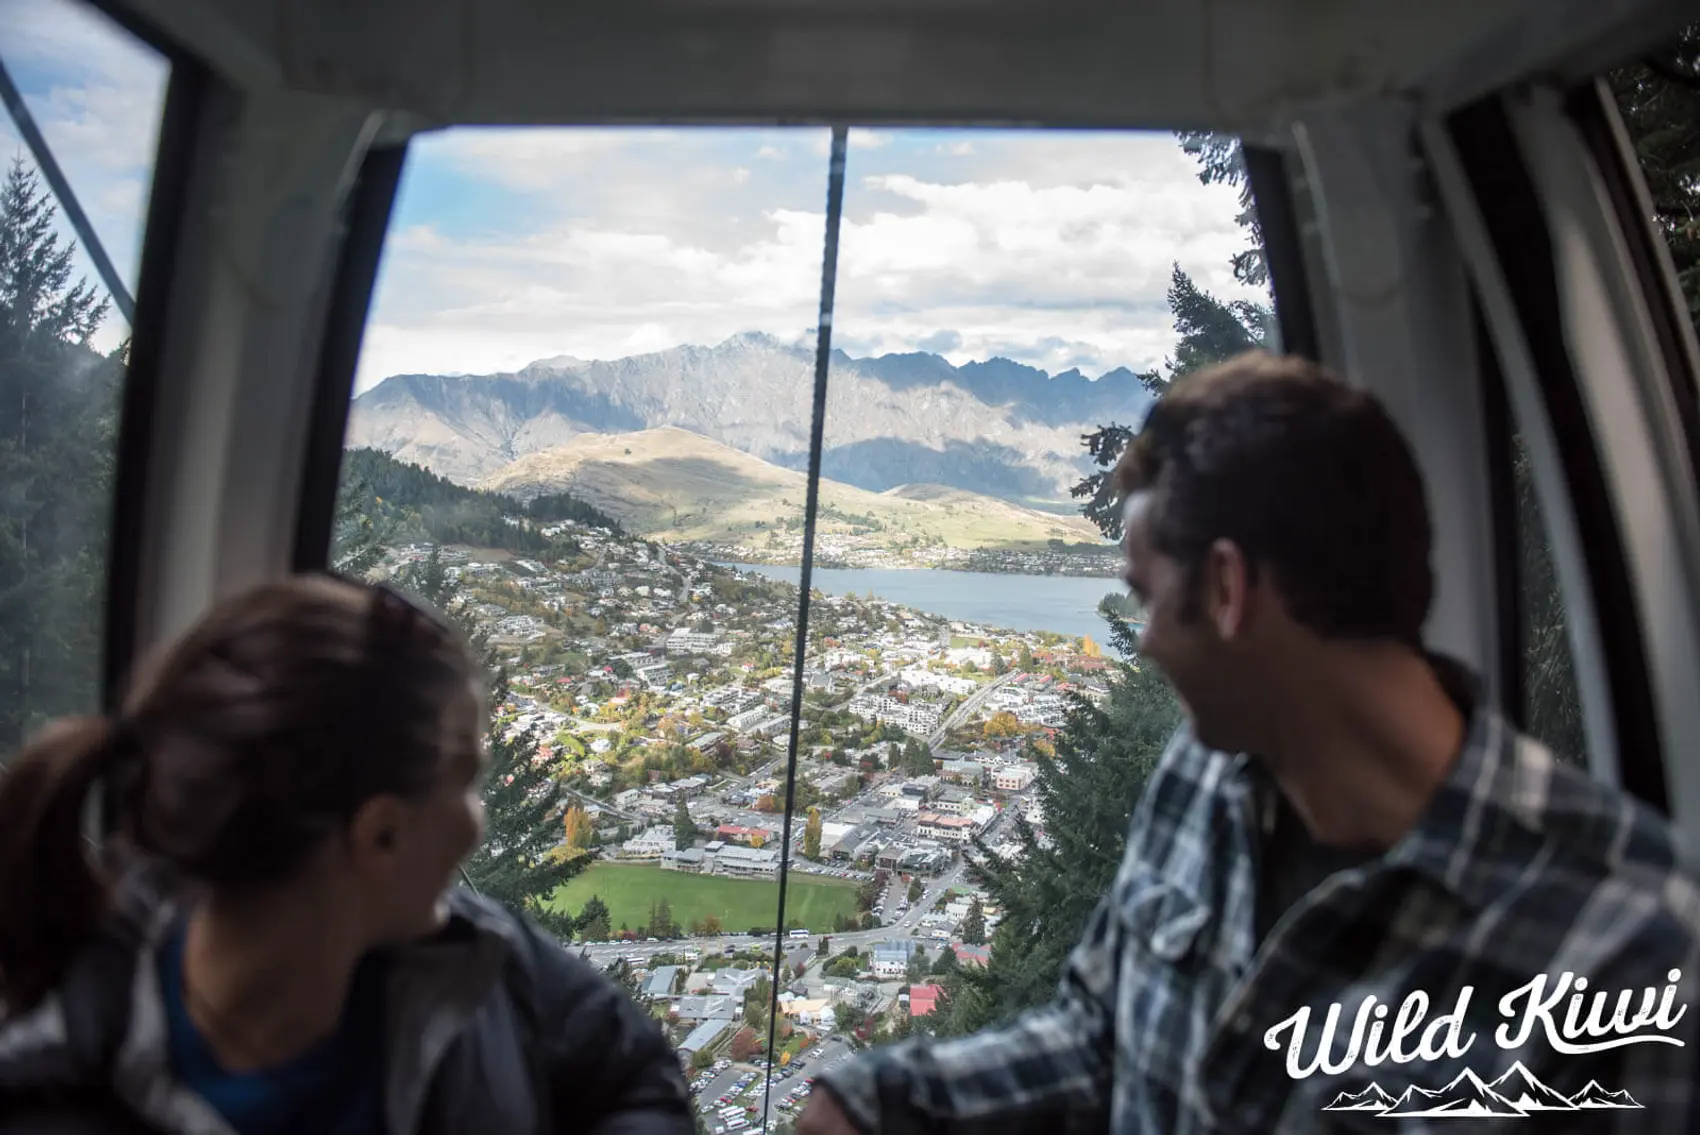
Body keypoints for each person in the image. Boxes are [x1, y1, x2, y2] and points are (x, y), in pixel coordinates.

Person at [797, 351, 1700, 1134]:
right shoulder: (1203, 772)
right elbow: (1101, 1036)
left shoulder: (1633, 951)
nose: (1144, 640)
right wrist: (890, 1097)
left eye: (1149, 597)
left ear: (1228, 589)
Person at [0, 574, 693, 1135]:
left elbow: (633, 1075)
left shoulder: (476, 955)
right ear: (381, 836)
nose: (477, 825)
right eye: (469, 784)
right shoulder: (58, 1097)